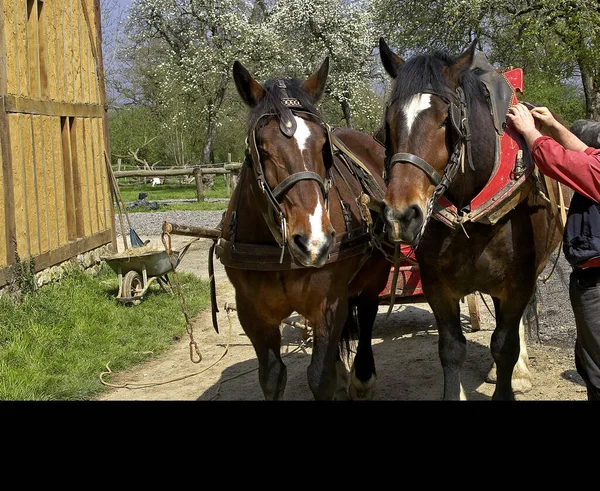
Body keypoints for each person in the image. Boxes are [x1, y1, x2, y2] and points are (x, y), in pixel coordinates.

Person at [507, 103, 600, 400]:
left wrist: (530, 131)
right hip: (591, 281)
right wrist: (555, 127)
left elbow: (557, 161)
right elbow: (589, 155)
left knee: (597, 367)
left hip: (597, 286)